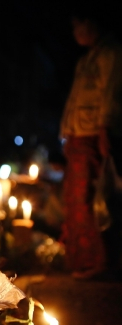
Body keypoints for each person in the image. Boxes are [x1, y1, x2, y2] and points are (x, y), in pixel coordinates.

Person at [60, 8, 122, 279]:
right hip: (79, 134)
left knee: (92, 198)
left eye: (78, 26)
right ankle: (81, 259)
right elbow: (74, 100)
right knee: (76, 199)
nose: (75, 33)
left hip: (94, 134)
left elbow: (112, 92)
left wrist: (105, 128)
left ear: (91, 21)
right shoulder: (86, 60)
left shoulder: (111, 53)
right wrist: (66, 131)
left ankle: (102, 261)